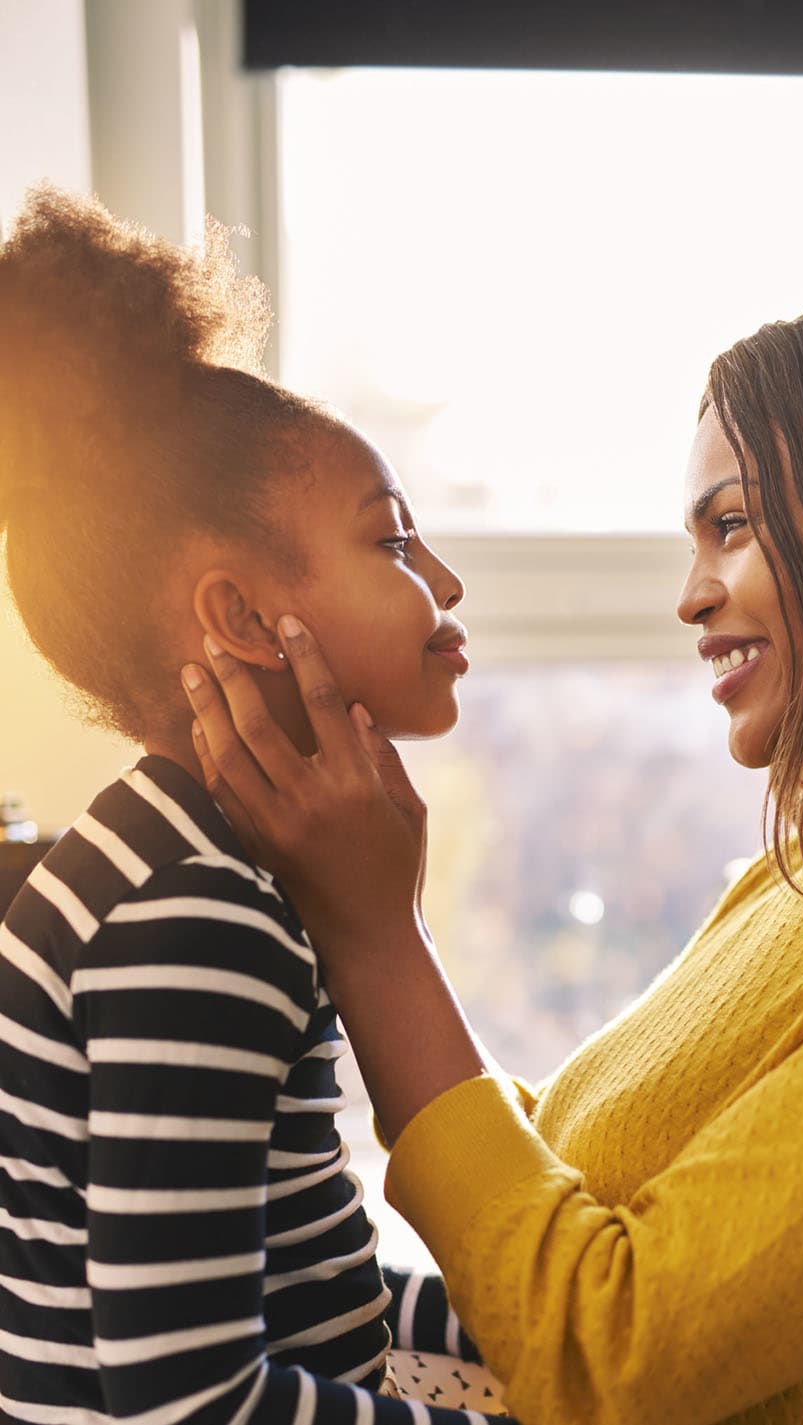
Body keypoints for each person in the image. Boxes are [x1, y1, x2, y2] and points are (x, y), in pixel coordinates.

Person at [186, 288, 803, 1425]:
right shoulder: (794, 886)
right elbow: (562, 1204)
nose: (691, 596)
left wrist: (379, 940)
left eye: (732, 526)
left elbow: (613, 1352)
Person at [0, 187, 509, 1422]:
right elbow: (192, 1404)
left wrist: (549, 1327)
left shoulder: (198, 858)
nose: (442, 580)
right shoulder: (195, 916)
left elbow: (312, 1287)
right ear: (238, 619)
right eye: (391, 543)